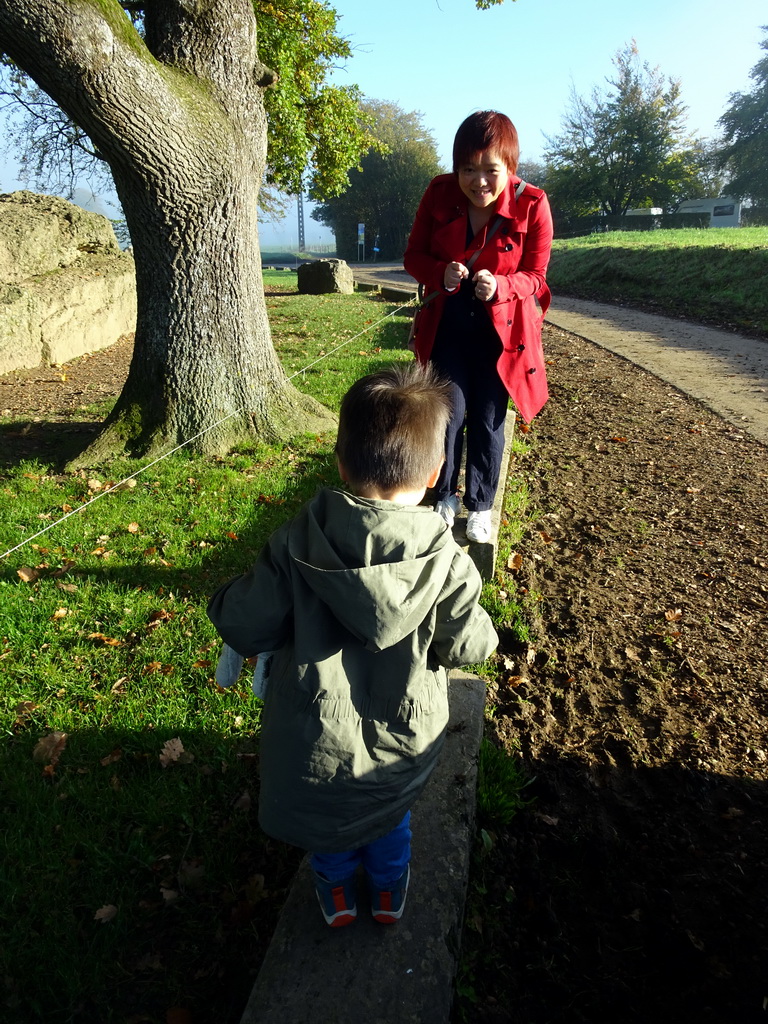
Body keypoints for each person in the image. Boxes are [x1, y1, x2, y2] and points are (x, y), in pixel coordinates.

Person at [207, 363, 498, 928]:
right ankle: (388, 894)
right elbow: (468, 646)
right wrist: (482, 630)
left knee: (328, 830)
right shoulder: (448, 562)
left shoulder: (296, 541)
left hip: (313, 732)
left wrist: (224, 599)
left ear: (339, 461)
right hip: (404, 731)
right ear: (438, 469)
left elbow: (247, 622)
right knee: (389, 818)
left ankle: (336, 893)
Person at [404, 110, 553, 544]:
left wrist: (503, 284)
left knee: (488, 419)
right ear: (457, 168)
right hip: (448, 326)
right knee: (447, 414)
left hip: (501, 335)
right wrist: (438, 274)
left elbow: (538, 279)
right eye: (469, 169)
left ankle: (481, 506)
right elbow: (413, 256)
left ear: (510, 167)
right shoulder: (438, 193)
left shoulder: (533, 205)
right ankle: (444, 496)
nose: (479, 182)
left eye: (491, 170)